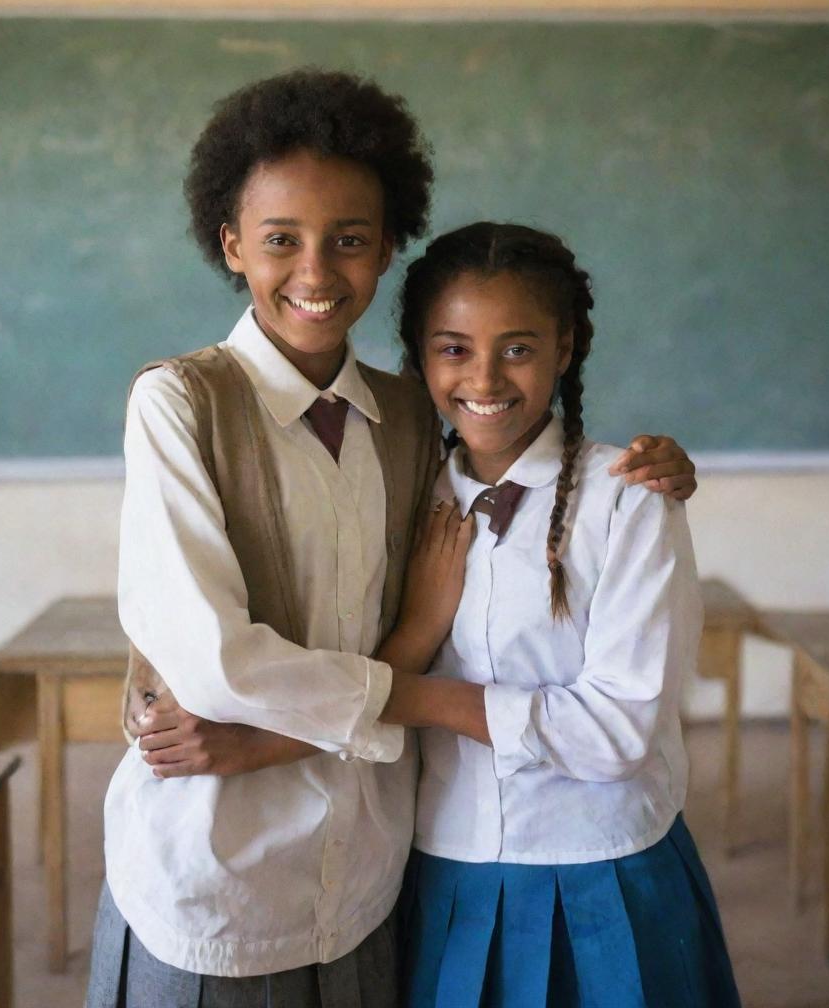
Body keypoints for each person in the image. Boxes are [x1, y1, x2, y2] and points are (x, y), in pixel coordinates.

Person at [87, 69, 700, 1008]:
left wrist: (664, 469)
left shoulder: (413, 421)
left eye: (351, 241)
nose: (317, 273)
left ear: (386, 251)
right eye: (281, 240)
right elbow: (214, 667)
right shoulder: (179, 402)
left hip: (373, 870)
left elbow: (523, 472)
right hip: (220, 870)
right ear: (231, 245)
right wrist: (407, 655)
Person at [384, 222, 740, 1008]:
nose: (485, 376)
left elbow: (616, 731)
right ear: (417, 353)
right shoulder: (400, 494)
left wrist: (403, 694)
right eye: (452, 348)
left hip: (602, 871)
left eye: (518, 348)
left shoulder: (628, 500)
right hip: (441, 865)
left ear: (565, 347)